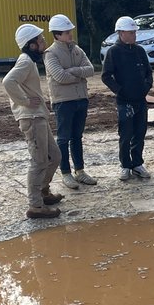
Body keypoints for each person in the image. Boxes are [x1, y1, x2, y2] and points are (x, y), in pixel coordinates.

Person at [2, 24, 64, 218]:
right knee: (39, 162)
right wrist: (25, 101)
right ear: (31, 45)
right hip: (31, 118)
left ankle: (43, 191)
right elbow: (8, 81)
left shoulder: (29, 61)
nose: (44, 43)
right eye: (41, 40)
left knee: (55, 156)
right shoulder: (26, 62)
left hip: (38, 116)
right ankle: (35, 206)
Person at [44, 13, 97, 190]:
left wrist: (73, 70)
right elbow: (60, 76)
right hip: (63, 101)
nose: (70, 34)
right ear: (57, 34)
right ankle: (66, 172)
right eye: (67, 32)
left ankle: (80, 171)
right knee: (64, 138)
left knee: (77, 137)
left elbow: (90, 69)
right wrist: (79, 75)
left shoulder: (77, 49)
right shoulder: (50, 53)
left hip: (80, 99)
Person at [101, 16, 154, 181]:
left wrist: (147, 86)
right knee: (125, 134)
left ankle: (137, 163)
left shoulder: (139, 51)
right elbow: (106, 76)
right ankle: (125, 165)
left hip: (140, 100)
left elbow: (148, 72)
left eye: (134, 32)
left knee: (140, 132)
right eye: (131, 32)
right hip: (125, 101)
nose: (134, 35)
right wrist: (120, 91)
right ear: (121, 33)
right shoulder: (114, 52)